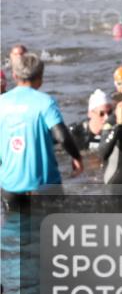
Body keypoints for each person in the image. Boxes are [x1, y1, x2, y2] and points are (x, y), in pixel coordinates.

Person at [0, 53, 83, 210]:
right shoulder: (45, 102)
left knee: (15, 230)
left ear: (14, 75)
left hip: (10, 185)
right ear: (40, 78)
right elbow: (62, 136)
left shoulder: (1, 103)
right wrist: (77, 158)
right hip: (44, 185)